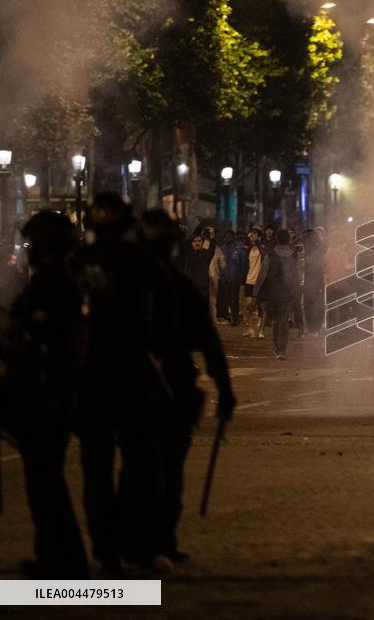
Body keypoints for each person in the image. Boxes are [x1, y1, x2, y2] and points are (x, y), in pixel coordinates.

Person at [73, 193, 173, 574]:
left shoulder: (77, 264)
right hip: (132, 372)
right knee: (142, 465)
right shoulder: (141, 262)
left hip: (92, 378)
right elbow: (166, 315)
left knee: (96, 468)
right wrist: (157, 354)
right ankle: (141, 547)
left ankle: (106, 551)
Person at [137, 211, 236, 564]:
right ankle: (151, 542)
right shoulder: (162, 285)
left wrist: (225, 389)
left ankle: (147, 543)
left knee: (146, 469)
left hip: (160, 387)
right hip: (149, 386)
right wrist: (224, 390)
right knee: (161, 469)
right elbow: (209, 343)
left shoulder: (137, 285)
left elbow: (208, 341)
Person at [2, 212, 90, 579]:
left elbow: (47, 341)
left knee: (45, 479)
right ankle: (54, 554)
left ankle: (64, 560)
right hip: (46, 393)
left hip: (47, 395)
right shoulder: (58, 282)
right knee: (43, 478)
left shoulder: (55, 286)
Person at [261, 229, 297, 360]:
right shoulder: (293, 255)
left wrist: (258, 295)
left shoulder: (270, 255)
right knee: (283, 321)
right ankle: (282, 350)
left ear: (276, 238)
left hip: (273, 294)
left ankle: (278, 348)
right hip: (286, 293)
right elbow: (296, 277)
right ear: (288, 239)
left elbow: (263, 276)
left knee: (277, 321)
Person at [242, 228, 267, 339]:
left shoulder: (262, 249)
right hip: (249, 280)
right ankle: (251, 329)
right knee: (248, 305)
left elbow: (264, 253)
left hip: (259, 281)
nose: (252, 237)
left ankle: (261, 330)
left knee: (262, 306)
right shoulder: (250, 249)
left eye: (254, 235)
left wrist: (258, 241)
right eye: (251, 235)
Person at [302, 230, 325, 337]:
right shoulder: (307, 250)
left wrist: (320, 284)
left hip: (316, 282)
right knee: (307, 306)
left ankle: (315, 329)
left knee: (315, 306)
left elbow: (320, 268)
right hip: (307, 281)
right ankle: (311, 329)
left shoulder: (318, 250)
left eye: (306, 237)